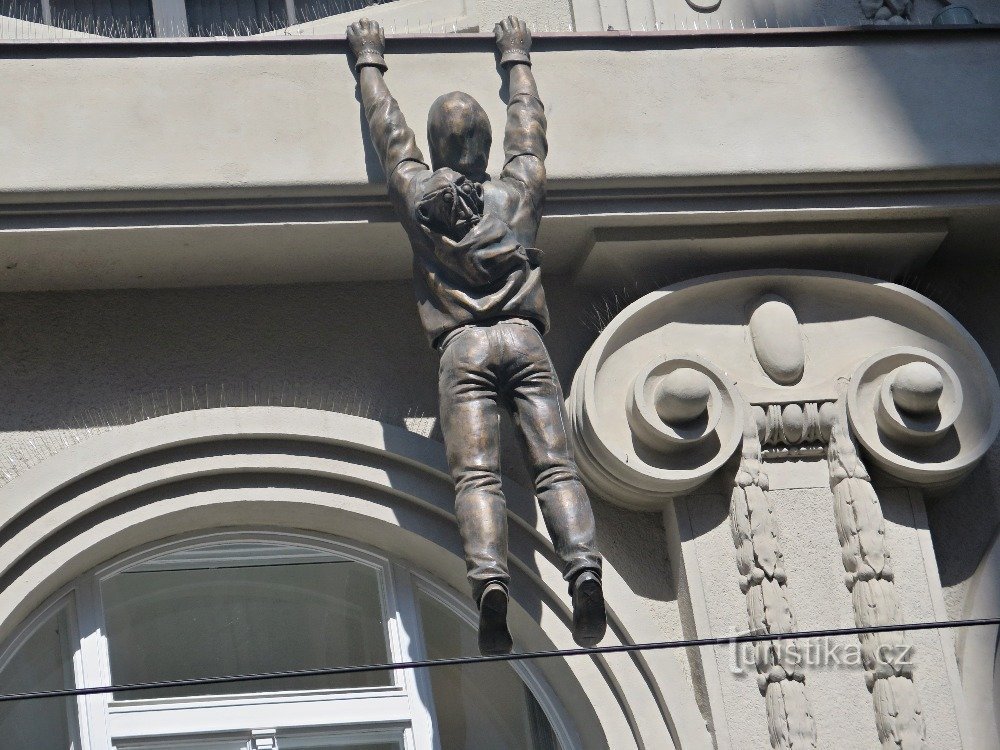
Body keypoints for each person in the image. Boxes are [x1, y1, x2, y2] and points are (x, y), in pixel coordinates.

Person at [347, 15, 605, 655]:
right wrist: (515, 57)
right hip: (523, 339)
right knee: (554, 469)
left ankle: (490, 582)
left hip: (462, 350)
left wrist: (370, 63)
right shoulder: (518, 194)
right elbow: (529, 129)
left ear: (437, 148)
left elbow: (390, 134)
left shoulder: (419, 197)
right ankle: (584, 570)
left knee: (476, 479)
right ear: (483, 147)